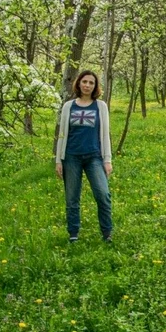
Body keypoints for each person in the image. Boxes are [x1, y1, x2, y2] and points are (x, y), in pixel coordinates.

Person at [55, 70, 113, 243]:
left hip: (94, 157)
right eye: (85, 82)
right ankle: (73, 233)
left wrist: (107, 159)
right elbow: (62, 134)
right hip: (71, 157)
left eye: (91, 83)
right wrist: (59, 160)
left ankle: (107, 232)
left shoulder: (100, 106)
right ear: (79, 83)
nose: (87, 85)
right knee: (72, 197)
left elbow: (105, 135)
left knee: (103, 194)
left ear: (95, 86)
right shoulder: (68, 106)